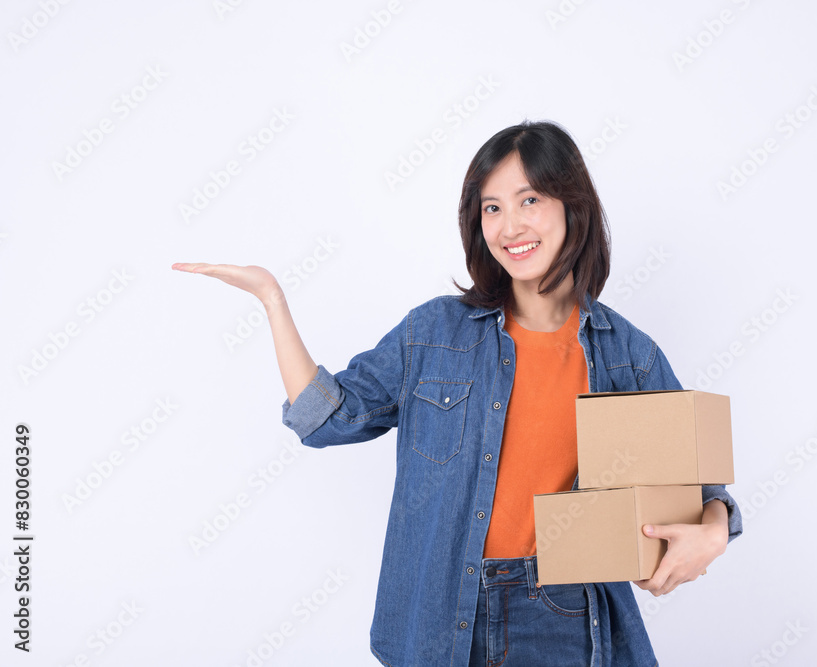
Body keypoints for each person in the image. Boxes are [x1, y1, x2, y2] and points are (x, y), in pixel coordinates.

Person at [173, 119, 742, 666]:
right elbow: (327, 421)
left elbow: (699, 489)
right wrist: (273, 300)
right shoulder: (434, 333)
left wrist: (715, 532)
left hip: (564, 616)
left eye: (529, 200)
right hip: (440, 616)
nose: (509, 227)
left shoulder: (627, 354)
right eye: (492, 208)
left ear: (574, 207)